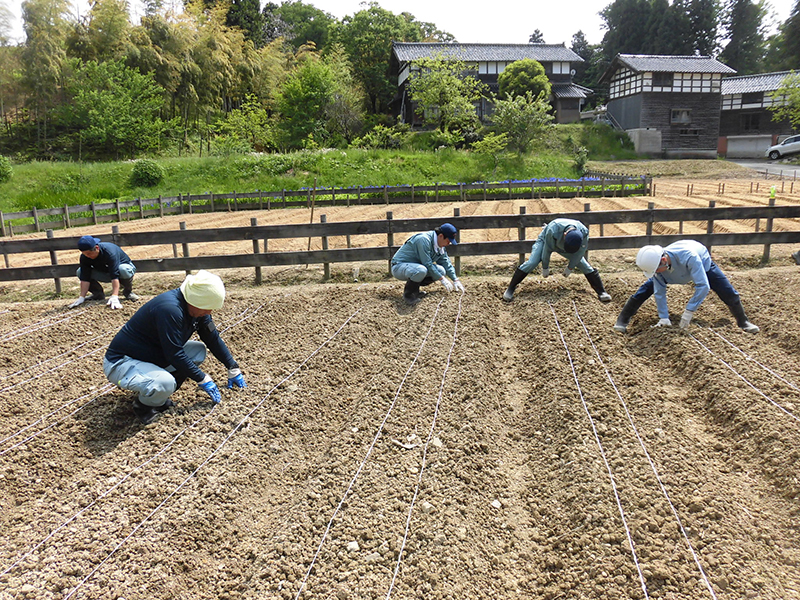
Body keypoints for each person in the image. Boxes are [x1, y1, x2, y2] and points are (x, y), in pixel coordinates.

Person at [103, 270, 247, 424]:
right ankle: (144, 406)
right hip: (121, 363)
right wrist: (202, 378)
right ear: (195, 300)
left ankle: (157, 395)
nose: (208, 312)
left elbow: (211, 337)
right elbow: (175, 354)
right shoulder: (170, 309)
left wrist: (232, 366)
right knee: (164, 383)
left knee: (197, 351)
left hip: (151, 356)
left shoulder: (196, 309)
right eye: (206, 308)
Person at [613, 241, 759, 334]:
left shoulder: (690, 257)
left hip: (702, 264)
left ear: (664, 260)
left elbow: (702, 286)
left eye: (656, 270)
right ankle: (623, 319)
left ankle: (743, 321)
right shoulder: (658, 268)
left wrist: (689, 310)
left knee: (728, 292)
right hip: (673, 269)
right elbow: (659, 292)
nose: (655, 273)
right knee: (644, 290)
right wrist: (664, 317)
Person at [502, 218, 611, 303]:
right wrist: (545, 267)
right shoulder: (553, 228)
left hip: (568, 245)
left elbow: (580, 253)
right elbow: (547, 250)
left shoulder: (584, 232)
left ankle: (601, 292)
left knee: (584, 265)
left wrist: (570, 267)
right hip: (546, 241)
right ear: (564, 235)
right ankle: (510, 289)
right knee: (532, 262)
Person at [391, 223, 466, 305]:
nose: (448, 244)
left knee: (441, 271)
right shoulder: (423, 240)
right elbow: (427, 263)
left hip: (415, 267)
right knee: (421, 270)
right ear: (441, 236)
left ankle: (416, 290)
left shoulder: (440, 246)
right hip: (399, 267)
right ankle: (409, 295)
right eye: (448, 241)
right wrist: (442, 279)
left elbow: (445, 262)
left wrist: (455, 279)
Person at [68, 235, 139, 310]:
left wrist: (114, 296)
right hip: (105, 272)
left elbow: (114, 275)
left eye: (89, 254)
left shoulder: (109, 252)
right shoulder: (85, 257)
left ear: (97, 248)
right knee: (80, 272)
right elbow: (85, 277)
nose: (87, 256)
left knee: (123, 270)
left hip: (122, 271)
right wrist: (81, 297)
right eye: (84, 254)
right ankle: (98, 294)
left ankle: (128, 292)